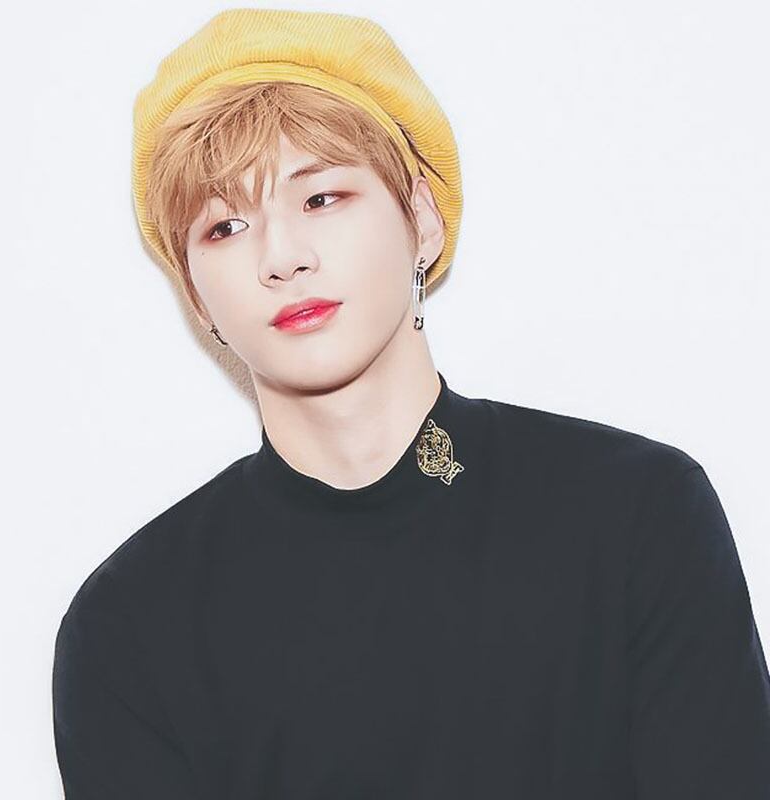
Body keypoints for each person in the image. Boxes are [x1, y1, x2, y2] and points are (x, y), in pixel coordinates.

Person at [52, 8, 770, 799]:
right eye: (225, 226)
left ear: (421, 222)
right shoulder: (130, 628)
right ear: (196, 297)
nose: (282, 257)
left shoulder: (635, 513)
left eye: (322, 197)